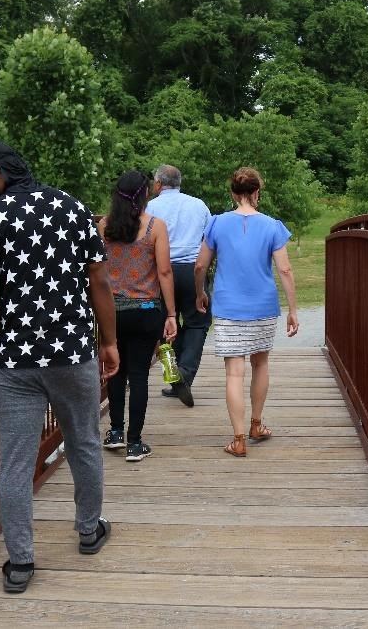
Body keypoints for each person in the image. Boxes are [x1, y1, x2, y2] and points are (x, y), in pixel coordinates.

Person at [0, 141, 119, 594]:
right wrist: (108, 341)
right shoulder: (73, 207)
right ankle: (89, 530)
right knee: (85, 442)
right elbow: (100, 282)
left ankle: (20, 564)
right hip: (73, 353)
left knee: (14, 462)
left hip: (15, 360)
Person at [194, 167, 299, 458]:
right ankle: (256, 425)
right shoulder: (273, 226)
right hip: (263, 306)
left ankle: (238, 440)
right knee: (261, 364)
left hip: (228, 307)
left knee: (233, 373)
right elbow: (285, 269)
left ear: (232, 193)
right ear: (256, 193)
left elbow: (200, 265)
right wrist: (292, 309)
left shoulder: (216, 224)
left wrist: (200, 293)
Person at [98, 170, 178, 462]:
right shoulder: (156, 227)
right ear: (145, 194)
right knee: (140, 374)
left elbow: (96, 271)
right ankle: (135, 443)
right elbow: (165, 271)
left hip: (112, 313)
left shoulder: (104, 226)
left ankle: (116, 432)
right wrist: (171, 312)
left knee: (115, 370)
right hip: (146, 312)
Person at [147, 164, 212, 408]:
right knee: (198, 322)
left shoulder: (151, 207)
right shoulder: (198, 205)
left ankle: (174, 375)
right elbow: (209, 239)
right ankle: (184, 372)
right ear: (179, 183)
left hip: (160, 273)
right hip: (193, 270)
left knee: (164, 324)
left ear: (158, 184)